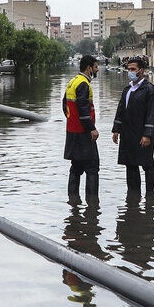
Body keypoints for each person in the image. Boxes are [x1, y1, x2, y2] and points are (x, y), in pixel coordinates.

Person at [112, 56, 154, 197]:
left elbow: (152, 114)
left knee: (147, 164)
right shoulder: (127, 90)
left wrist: (147, 134)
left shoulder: (150, 91)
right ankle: (133, 194)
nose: (130, 72)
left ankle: (149, 195)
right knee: (130, 163)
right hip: (127, 133)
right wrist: (116, 129)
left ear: (141, 71)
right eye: (129, 69)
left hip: (142, 133)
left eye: (133, 69)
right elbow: (120, 110)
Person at [63, 55, 100, 203]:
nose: (97, 69)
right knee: (92, 168)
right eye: (96, 67)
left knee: (76, 167)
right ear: (89, 68)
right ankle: (92, 204)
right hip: (84, 134)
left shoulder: (72, 82)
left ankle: (73, 201)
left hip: (72, 132)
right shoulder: (84, 84)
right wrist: (92, 128)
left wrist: (72, 121)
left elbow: (64, 105)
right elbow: (84, 109)